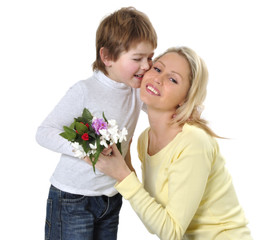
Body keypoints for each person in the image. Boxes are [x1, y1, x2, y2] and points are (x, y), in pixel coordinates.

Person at [95, 47, 253, 239]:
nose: (158, 79)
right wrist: (125, 161)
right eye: (158, 69)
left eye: (173, 79)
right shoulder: (145, 140)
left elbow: (171, 232)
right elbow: (157, 222)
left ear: (185, 98)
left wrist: (122, 174)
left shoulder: (193, 142)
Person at [35, 7, 157, 240]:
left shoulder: (135, 91)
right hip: (73, 198)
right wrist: (85, 150)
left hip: (111, 197)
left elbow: (163, 107)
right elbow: (43, 132)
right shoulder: (85, 90)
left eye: (150, 57)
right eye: (137, 58)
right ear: (107, 57)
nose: (146, 66)